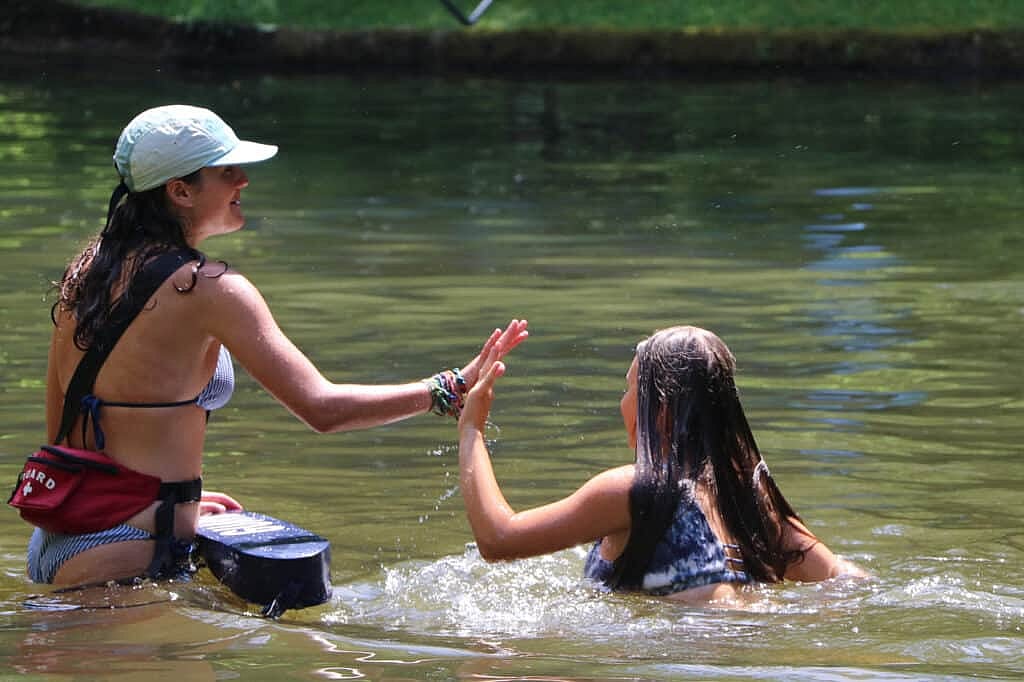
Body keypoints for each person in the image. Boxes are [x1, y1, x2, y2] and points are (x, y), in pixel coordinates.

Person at [25, 104, 529, 588]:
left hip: (61, 538)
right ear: (180, 191)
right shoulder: (209, 288)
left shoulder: (90, 268)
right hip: (129, 551)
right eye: (226, 171)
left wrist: (171, 508)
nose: (243, 179)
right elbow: (322, 409)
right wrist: (448, 388)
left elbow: (63, 433)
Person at [457, 324, 865, 603]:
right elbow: (847, 580)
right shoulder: (750, 500)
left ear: (662, 411)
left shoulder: (631, 490)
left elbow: (498, 540)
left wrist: (471, 428)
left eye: (630, 387)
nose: (623, 402)